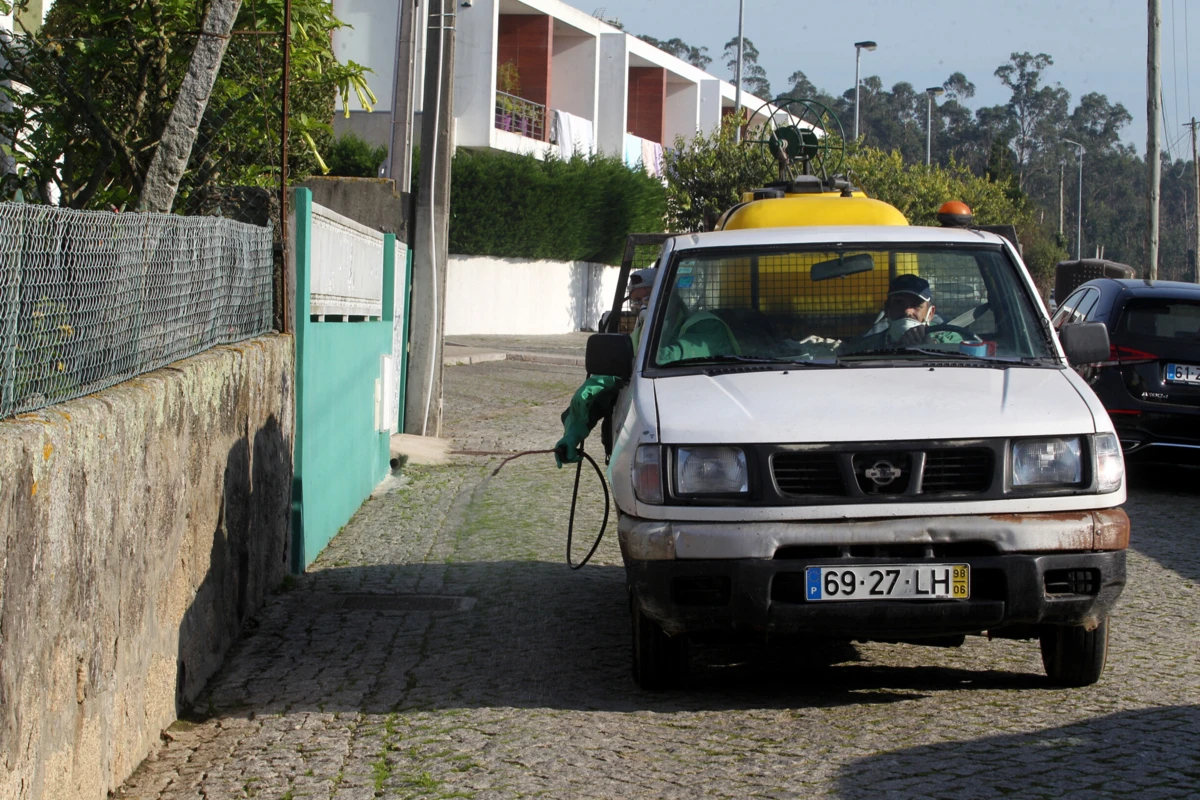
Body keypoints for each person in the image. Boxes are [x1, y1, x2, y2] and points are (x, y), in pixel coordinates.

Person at [554, 266, 740, 466]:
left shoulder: (705, 326)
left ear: (668, 297)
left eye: (649, 298)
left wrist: (634, 360)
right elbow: (608, 385)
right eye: (636, 301)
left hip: (710, 443)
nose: (642, 306)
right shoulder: (639, 336)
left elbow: (673, 356)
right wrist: (573, 432)